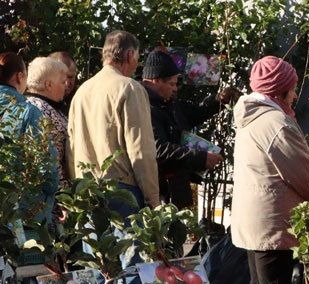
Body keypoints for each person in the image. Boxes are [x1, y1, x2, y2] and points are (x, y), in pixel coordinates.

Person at [231, 56, 309, 284]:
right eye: (293, 87)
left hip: (255, 223)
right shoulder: (276, 123)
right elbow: (304, 175)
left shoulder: (251, 118)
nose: (296, 94)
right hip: (272, 225)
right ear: (281, 91)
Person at [67, 30, 159, 214]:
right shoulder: (130, 88)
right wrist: (153, 199)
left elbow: (71, 147)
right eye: (137, 58)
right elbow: (140, 150)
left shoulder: (82, 91)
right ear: (130, 54)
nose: (136, 64)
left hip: (87, 190)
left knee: (93, 243)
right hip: (122, 191)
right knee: (127, 243)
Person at [141, 50, 236, 209]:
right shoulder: (144, 107)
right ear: (156, 81)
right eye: (171, 83)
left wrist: (219, 100)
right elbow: (157, 149)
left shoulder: (170, 103)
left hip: (176, 190)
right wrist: (200, 157)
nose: (175, 88)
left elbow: (195, 113)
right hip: (158, 194)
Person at [0, 52, 59, 224]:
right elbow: (47, 165)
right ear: (20, 76)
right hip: (21, 210)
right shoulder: (28, 112)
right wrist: (50, 194)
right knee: (27, 249)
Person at [25, 57, 70, 188]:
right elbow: (51, 159)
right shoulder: (40, 110)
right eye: (63, 82)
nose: (67, 85)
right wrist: (64, 195)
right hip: (48, 195)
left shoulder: (28, 103)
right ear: (48, 84)